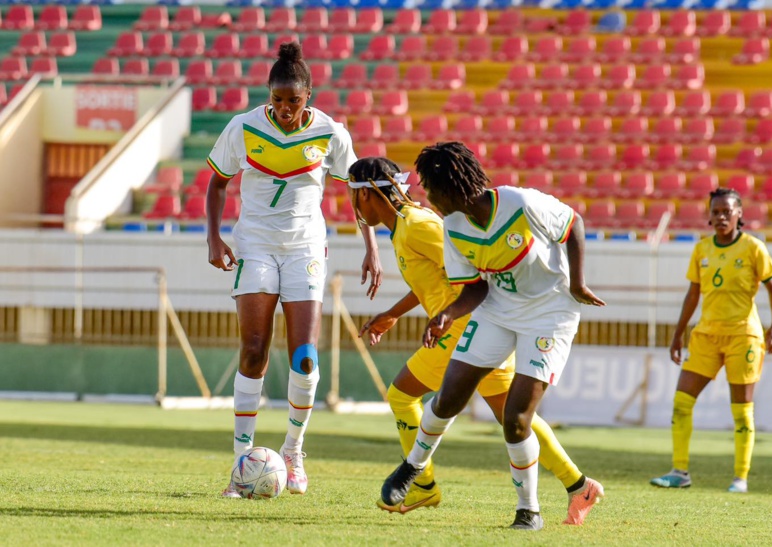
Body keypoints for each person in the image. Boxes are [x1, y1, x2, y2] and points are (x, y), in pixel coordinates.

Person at [348, 156, 597, 523]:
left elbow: (571, 222)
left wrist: (577, 282)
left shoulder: (421, 226)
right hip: (482, 315)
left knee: (409, 395)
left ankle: (424, 483)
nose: (428, 198)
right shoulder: (438, 225)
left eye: (432, 191)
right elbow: (463, 282)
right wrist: (406, 314)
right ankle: (578, 486)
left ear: (367, 195)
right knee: (510, 417)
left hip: (494, 322)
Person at [205, 42, 383, 498]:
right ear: (269, 94)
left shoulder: (330, 132)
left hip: (305, 247)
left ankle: (293, 450)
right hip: (255, 246)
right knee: (254, 350)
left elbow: (357, 192)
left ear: (309, 97)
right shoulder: (242, 127)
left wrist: (370, 246)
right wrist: (214, 236)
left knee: (305, 355)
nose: (284, 109)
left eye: (294, 100)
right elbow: (217, 183)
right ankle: (240, 461)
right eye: (277, 99)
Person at [651, 188, 772, 494]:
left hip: (743, 336)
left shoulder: (753, 247)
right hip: (706, 335)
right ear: (709, 217)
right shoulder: (702, 249)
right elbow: (693, 294)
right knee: (682, 402)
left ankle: (740, 478)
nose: (721, 216)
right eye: (716, 212)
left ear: (739, 215)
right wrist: (677, 333)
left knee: (741, 409)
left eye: (727, 211)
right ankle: (679, 471)